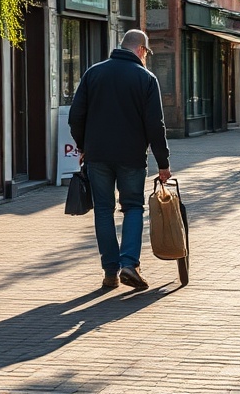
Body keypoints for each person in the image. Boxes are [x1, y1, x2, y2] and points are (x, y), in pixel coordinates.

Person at [68, 29, 170, 292]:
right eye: (146, 52)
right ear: (140, 50)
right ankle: (129, 264)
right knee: (133, 207)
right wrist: (163, 163)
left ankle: (110, 272)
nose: (146, 56)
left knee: (103, 210)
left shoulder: (94, 73)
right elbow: (155, 125)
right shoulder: (146, 78)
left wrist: (83, 146)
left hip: (97, 156)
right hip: (132, 157)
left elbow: (76, 116)